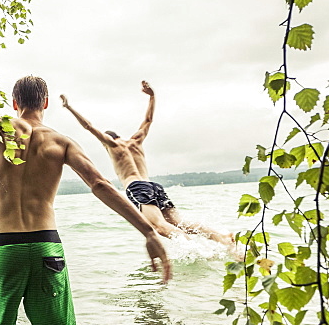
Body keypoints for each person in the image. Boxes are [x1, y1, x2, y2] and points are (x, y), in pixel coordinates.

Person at [0, 75, 172, 325]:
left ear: (15, 103)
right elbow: (100, 185)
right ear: (45, 103)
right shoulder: (62, 142)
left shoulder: (1, 126)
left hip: (4, 246)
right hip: (46, 247)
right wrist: (148, 231)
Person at [61, 81, 234, 249]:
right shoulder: (136, 140)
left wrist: (69, 107)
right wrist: (152, 96)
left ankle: (199, 251)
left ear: (107, 141)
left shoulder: (112, 145)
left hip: (137, 187)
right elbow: (148, 119)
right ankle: (222, 238)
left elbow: (89, 126)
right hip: (154, 185)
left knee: (160, 226)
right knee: (178, 222)